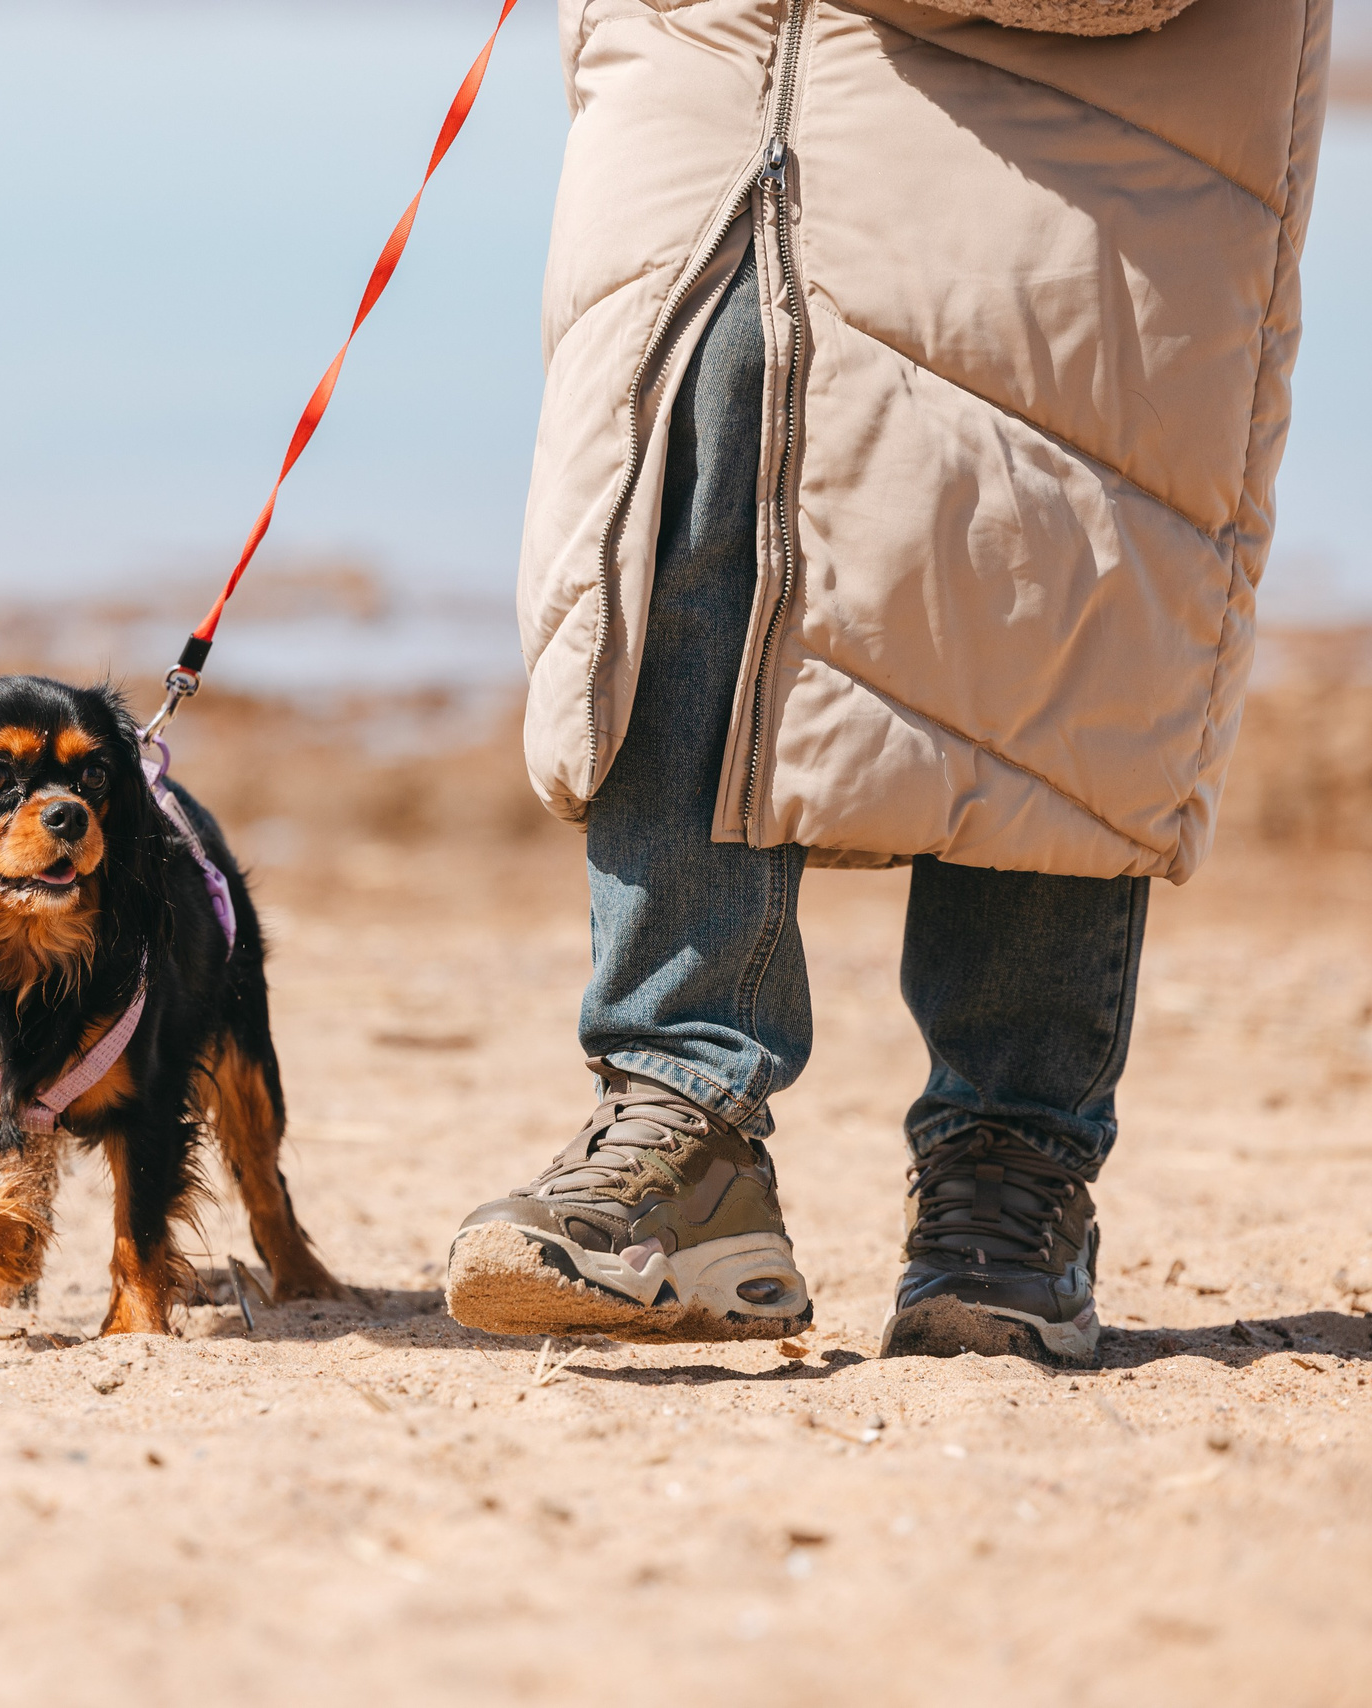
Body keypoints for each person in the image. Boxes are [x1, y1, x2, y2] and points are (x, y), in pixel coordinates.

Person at [444, 0, 1330, 1365]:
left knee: (1053, 559)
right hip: (719, 59)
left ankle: (1008, 1171)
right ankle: (680, 1119)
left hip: (1097, 102)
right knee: (680, 482)